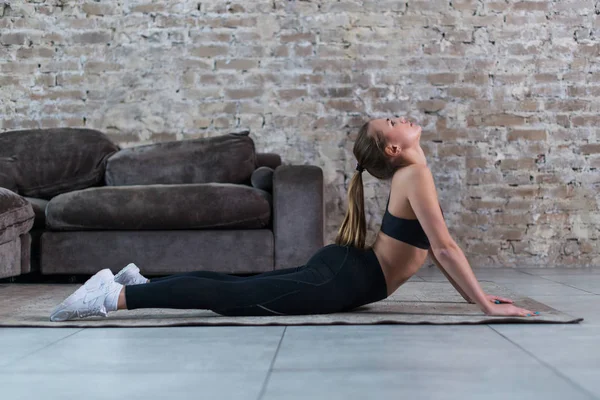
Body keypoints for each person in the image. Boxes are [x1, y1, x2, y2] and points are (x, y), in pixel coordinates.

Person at [50, 116, 539, 322]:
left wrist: (478, 298)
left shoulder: (413, 174)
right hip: (346, 279)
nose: (402, 117)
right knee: (231, 297)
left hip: (347, 270)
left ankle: (138, 281)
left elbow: (441, 249)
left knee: (234, 286)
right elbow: (445, 248)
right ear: (395, 148)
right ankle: (115, 296)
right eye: (393, 120)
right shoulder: (416, 176)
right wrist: (483, 304)